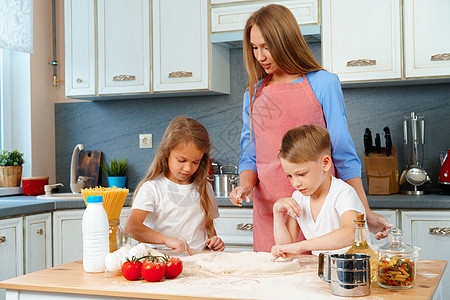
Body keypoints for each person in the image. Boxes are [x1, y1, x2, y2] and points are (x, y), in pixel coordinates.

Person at [229, 4, 391, 252]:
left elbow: (343, 154)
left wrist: (364, 212)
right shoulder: (252, 95)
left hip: (321, 210)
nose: (259, 56)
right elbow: (250, 155)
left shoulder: (324, 84)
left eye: (266, 46)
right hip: (272, 212)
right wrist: (245, 186)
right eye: (254, 48)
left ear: (286, 41)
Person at [125, 116, 225, 255]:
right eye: (181, 160)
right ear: (167, 153)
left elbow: (208, 228)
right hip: (161, 261)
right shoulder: (152, 188)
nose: (188, 168)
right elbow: (132, 227)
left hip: (198, 260)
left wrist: (214, 241)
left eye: (195, 162)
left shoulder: (204, 187)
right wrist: (166, 240)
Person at [271, 125, 365, 258]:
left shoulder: (343, 193)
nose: (296, 183)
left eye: (302, 174)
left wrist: (301, 246)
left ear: (325, 163)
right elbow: (286, 248)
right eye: (289, 176)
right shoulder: (298, 197)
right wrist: (277, 211)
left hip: (355, 271)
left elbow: (352, 233)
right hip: (324, 270)